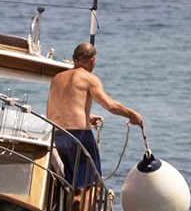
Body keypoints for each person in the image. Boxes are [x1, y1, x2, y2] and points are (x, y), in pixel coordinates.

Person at [46, 43, 143, 191]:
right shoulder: (89, 78)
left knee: (68, 186)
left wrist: (86, 116)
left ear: (74, 59)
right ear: (93, 60)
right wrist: (131, 114)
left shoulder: (57, 79)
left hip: (57, 135)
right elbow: (109, 105)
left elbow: (51, 112)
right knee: (91, 188)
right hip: (79, 138)